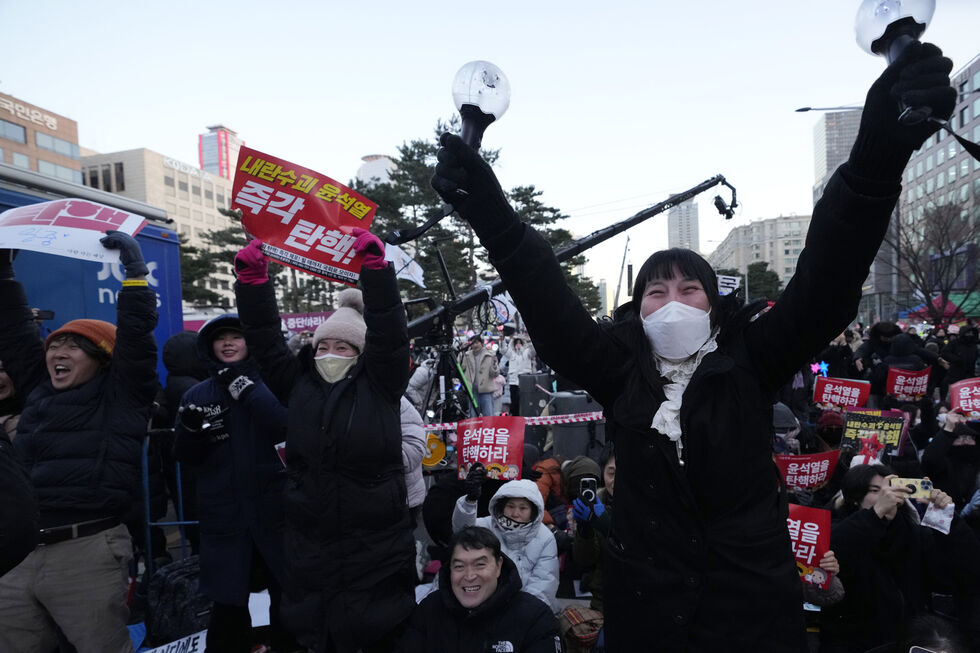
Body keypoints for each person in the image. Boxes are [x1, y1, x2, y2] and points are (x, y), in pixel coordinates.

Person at [430, 42, 956, 651]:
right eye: (656, 290)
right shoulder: (618, 369)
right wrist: (495, 220)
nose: (673, 301)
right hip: (648, 611)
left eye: (690, 288)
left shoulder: (753, 358)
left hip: (751, 611)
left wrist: (871, 167)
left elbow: (826, 283)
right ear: (637, 305)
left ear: (716, 303)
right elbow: (549, 304)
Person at [233, 230, 416, 653]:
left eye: (344, 347)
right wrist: (253, 284)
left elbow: (390, 334)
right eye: (324, 345)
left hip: (376, 546)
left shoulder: (382, 385)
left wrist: (376, 274)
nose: (331, 353)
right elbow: (263, 337)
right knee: (317, 634)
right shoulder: (297, 385)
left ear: (361, 354)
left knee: (376, 633)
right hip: (310, 544)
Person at [0, 233, 158, 652]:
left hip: (86, 551)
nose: (58, 353)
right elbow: (16, 334)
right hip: (17, 554)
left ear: (104, 360)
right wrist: (3, 274)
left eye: (75, 347)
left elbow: (138, 345)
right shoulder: (37, 389)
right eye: (56, 345)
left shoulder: (121, 397)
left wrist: (136, 277)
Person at [173, 314, 293, 652]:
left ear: (249, 342)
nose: (227, 343)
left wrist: (248, 390)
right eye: (220, 338)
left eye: (236, 336)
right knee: (227, 607)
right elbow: (183, 455)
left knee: (286, 599)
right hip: (224, 517)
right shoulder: (196, 394)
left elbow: (287, 429)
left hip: (275, 514)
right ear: (208, 346)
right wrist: (193, 433)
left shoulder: (274, 384)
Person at [819, 464, 980, 652]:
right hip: (852, 640)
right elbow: (838, 551)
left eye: (891, 488)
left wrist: (946, 518)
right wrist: (875, 514)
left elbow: (964, 570)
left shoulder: (912, 534)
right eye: (875, 490)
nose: (887, 495)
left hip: (908, 638)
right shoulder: (836, 530)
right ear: (855, 498)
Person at [396, 526, 562, 653]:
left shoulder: (535, 617)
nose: (469, 576)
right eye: (459, 566)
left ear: (498, 566)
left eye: (480, 565)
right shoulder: (429, 610)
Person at [453, 471, 559, 610]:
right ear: (501, 506)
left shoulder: (545, 538)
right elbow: (462, 533)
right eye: (510, 506)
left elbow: (544, 584)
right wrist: (469, 502)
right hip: (480, 605)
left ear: (533, 511)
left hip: (522, 613)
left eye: (523, 508)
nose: (515, 513)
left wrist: (517, 615)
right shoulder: (486, 525)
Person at [460, 335, 499, 417]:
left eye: (477, 343)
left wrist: (495, 364)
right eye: (473, 343)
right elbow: (460, 367)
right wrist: (461, 352)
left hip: (486, 391)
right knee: (473, 417)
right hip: (472, 391)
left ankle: (488, 430)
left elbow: (494, 374)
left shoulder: (489, 355)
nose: (475, 345)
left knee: (488, 416)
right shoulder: (466, 355)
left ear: (481, 343)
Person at [500, 336, 535, 415]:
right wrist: (502, 340)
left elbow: (533, 351)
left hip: (525, 380)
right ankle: (515, 417)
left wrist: (530, 342)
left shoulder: (527, 352)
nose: (518, 344)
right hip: (513, 381)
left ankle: (526, 416)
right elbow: (503, 350)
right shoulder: (511, 353)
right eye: (517, 343)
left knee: (525, 400)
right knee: (514, 401)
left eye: (520, 343)